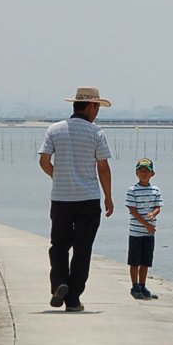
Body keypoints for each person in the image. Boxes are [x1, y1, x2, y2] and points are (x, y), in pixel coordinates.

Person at [39, 86, 114, 312]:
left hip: (60, 199)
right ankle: (73, 299)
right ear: (90, 106)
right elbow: (103, 168)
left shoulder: (55, 129)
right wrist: (108, 197)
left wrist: (59, 176)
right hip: (88, 199)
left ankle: (59, 283)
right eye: (97, 107)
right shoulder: (96, 133)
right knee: (82, 249)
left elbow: (44, 161)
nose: (97, 112)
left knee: (59, 245)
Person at [125, 157, 162, 300]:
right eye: (141, 170)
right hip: (136, 232)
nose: (144, 173)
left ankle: (142, 285)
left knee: (145, 262)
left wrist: (153, 213)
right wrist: (146, 224)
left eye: (147, 171)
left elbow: (158, 206)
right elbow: (132, 210)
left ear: (152, 173)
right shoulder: (132, 190)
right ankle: (134, 286)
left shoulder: (155, 190)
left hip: (149, 233)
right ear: (136, 173)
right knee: (134, 262)